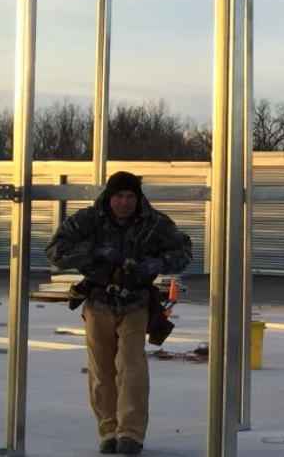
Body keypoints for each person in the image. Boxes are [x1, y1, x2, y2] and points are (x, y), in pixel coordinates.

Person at [45, 171, 192, 455]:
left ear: (138, 199)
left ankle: (131, 433)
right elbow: (55, 249)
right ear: (108, 197)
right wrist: (96, 252)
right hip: (98, 301)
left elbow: (184, 250)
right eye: (118, 196)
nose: (123, 202)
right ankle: (109, 430)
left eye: (129, 197)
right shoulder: (88, 220)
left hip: (135, 303)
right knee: (101, 371)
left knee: (131, 368)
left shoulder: (154, 223)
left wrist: (157, 263)